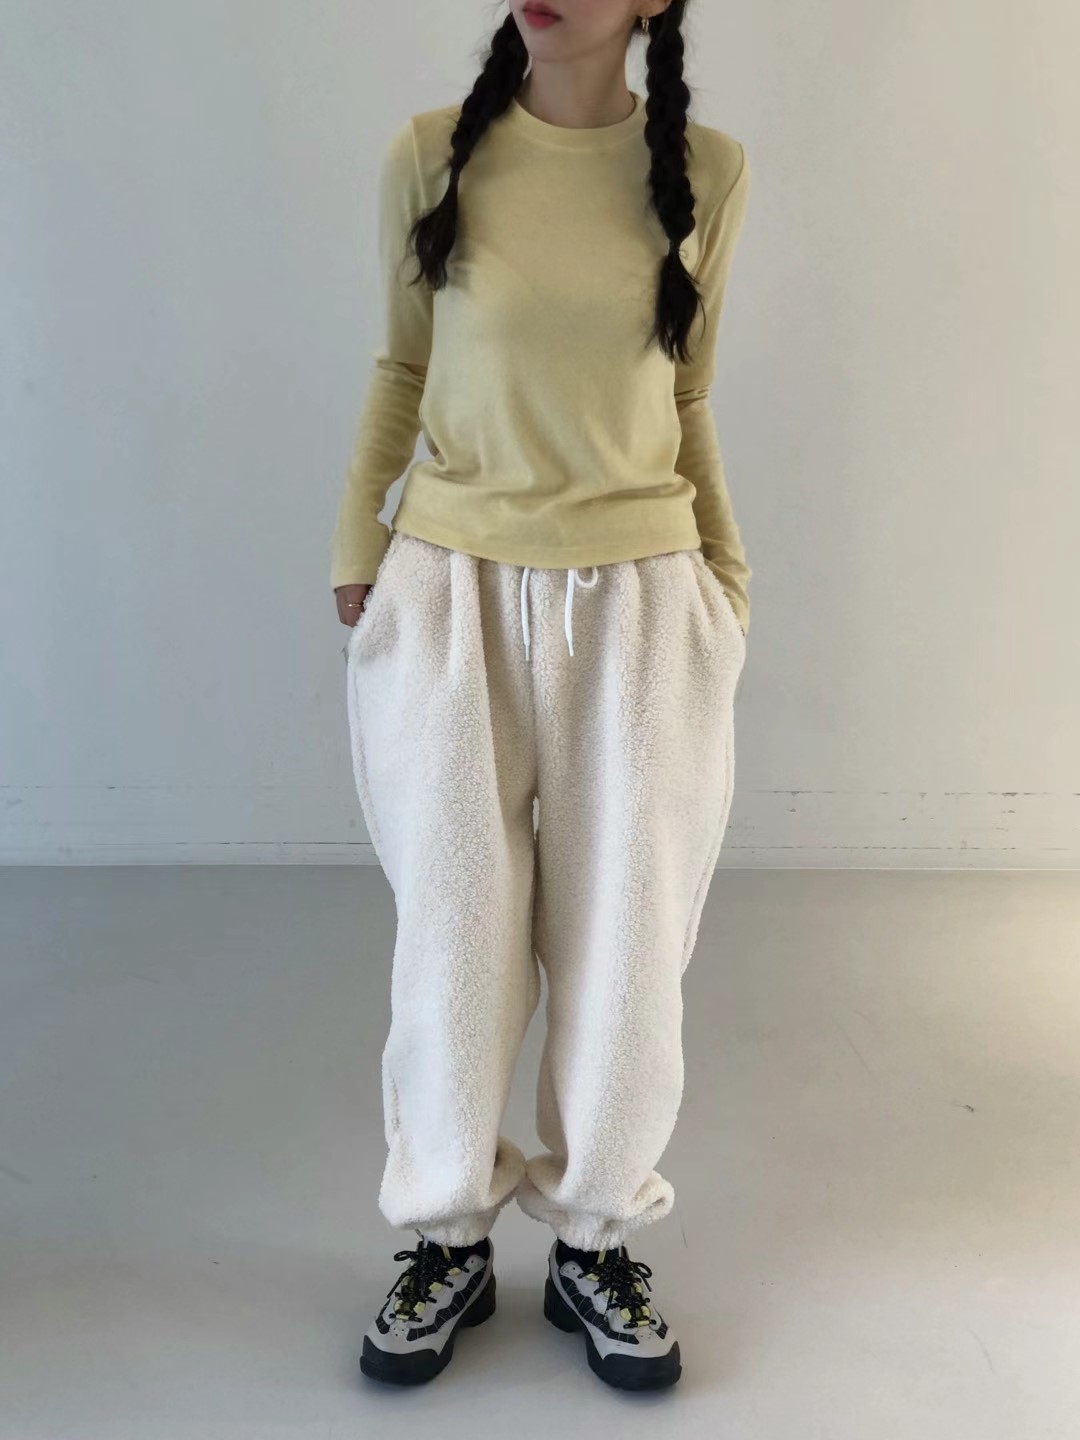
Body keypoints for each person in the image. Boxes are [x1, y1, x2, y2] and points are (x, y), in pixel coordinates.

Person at [329, 0, 751, 1393]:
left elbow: (687, 395)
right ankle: (444, 1232)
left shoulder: (707, 174)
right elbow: (403, 365)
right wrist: (357, 550)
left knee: (628, 940)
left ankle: (595, 1235)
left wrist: (725, 580)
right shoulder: (432, 155)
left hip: (641, 598)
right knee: (454, 936)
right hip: (451, 588)